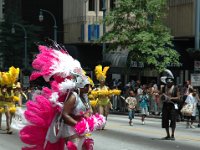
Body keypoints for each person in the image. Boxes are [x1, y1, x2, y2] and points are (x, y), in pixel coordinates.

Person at [19, 43, 105, 150]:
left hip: (80, 130)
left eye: (89, 86)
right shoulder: (73, 96)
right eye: (86, 86)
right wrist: (78, 125)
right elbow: (65, 114)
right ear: (80, 85)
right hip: (70, 129)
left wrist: (91, 120)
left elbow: (87, 112)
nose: (89, 89)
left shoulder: (84, 97)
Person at [160, 71, 180, 141]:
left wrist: (170, 98)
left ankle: (172, 135)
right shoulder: (164, 88)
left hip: (172, 105)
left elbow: (178, 97)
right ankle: (168, 135)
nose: (168, 83)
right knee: (165, 120)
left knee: (173, 120)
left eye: (170, 82)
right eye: (167, 82)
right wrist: (162, 97)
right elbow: (161, 95)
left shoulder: (175, 88)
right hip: (165, 105)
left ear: (172, 82)